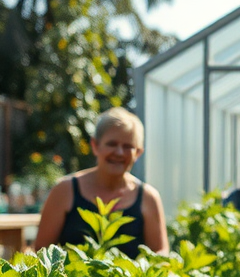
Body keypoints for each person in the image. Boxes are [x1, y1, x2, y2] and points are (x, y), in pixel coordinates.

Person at [33, 108, 168, 258]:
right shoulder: (64, 190)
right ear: (95, 145)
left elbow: (160, 254)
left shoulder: (148, 197)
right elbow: (42, 252)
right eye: (112, 144)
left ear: (138, 153)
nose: (119, 152)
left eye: (128, 146)